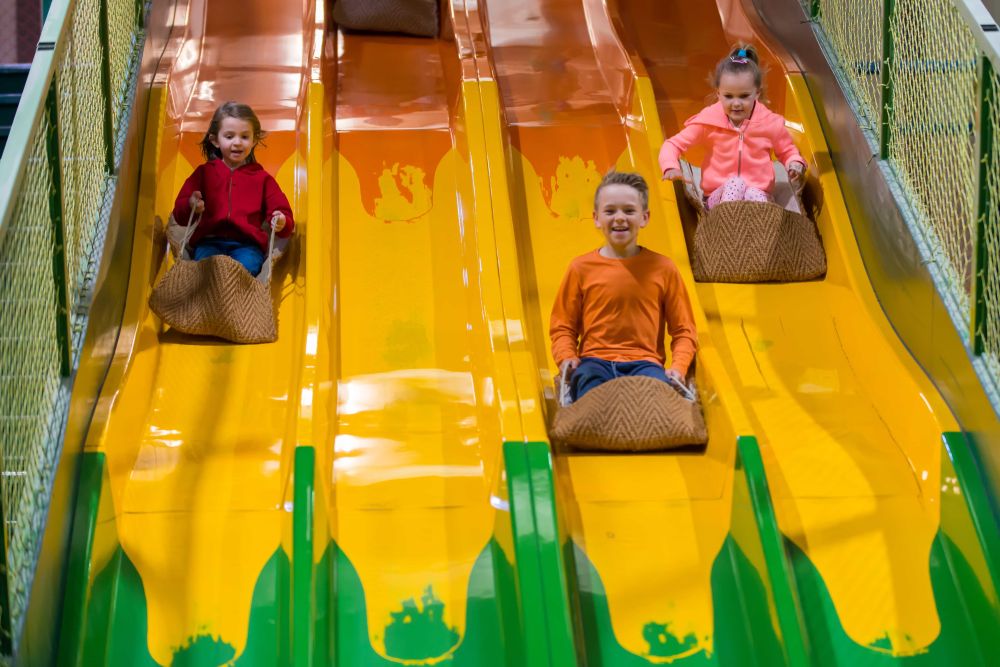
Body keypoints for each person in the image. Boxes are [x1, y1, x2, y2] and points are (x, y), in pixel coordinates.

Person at [550, 171, 698, 401]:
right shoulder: (580, 268)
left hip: (645, 364)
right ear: (597, 218)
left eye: (629, 211)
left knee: (657, 397)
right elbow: (563, 326)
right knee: (591, 393)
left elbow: (684, 330)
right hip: (594, 362)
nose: (619, 218)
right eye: (610, 211)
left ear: (644, 217)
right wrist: (566, 357)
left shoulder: (663, 268)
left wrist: (678, 367)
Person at [659, 45, 806, 209]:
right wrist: (670, 166)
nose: (736, 103)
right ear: (718, 93)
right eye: (728, 96)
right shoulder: (709, 122)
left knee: (753, 192)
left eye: (744, 96)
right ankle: (729, 221)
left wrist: (794, 163)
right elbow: (672, 144)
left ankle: (761, 224)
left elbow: (787, 150)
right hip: (718, 197)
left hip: (759, 194)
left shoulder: (768, 123)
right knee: (735, 183)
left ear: (757, 93)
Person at [172, 101, 294, 276]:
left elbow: (283, 214)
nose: (237, 143)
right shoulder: (204, 173)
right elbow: (180, 215)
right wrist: (191, 204)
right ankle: (213, 294)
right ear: (215, 140)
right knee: (207, 269)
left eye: (244, 137)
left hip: (247, 245)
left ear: (254, 140)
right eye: (229, 137)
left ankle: (233, 295)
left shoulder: (262, 179)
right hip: (209, 242)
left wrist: (281, 220)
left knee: (246, 268)